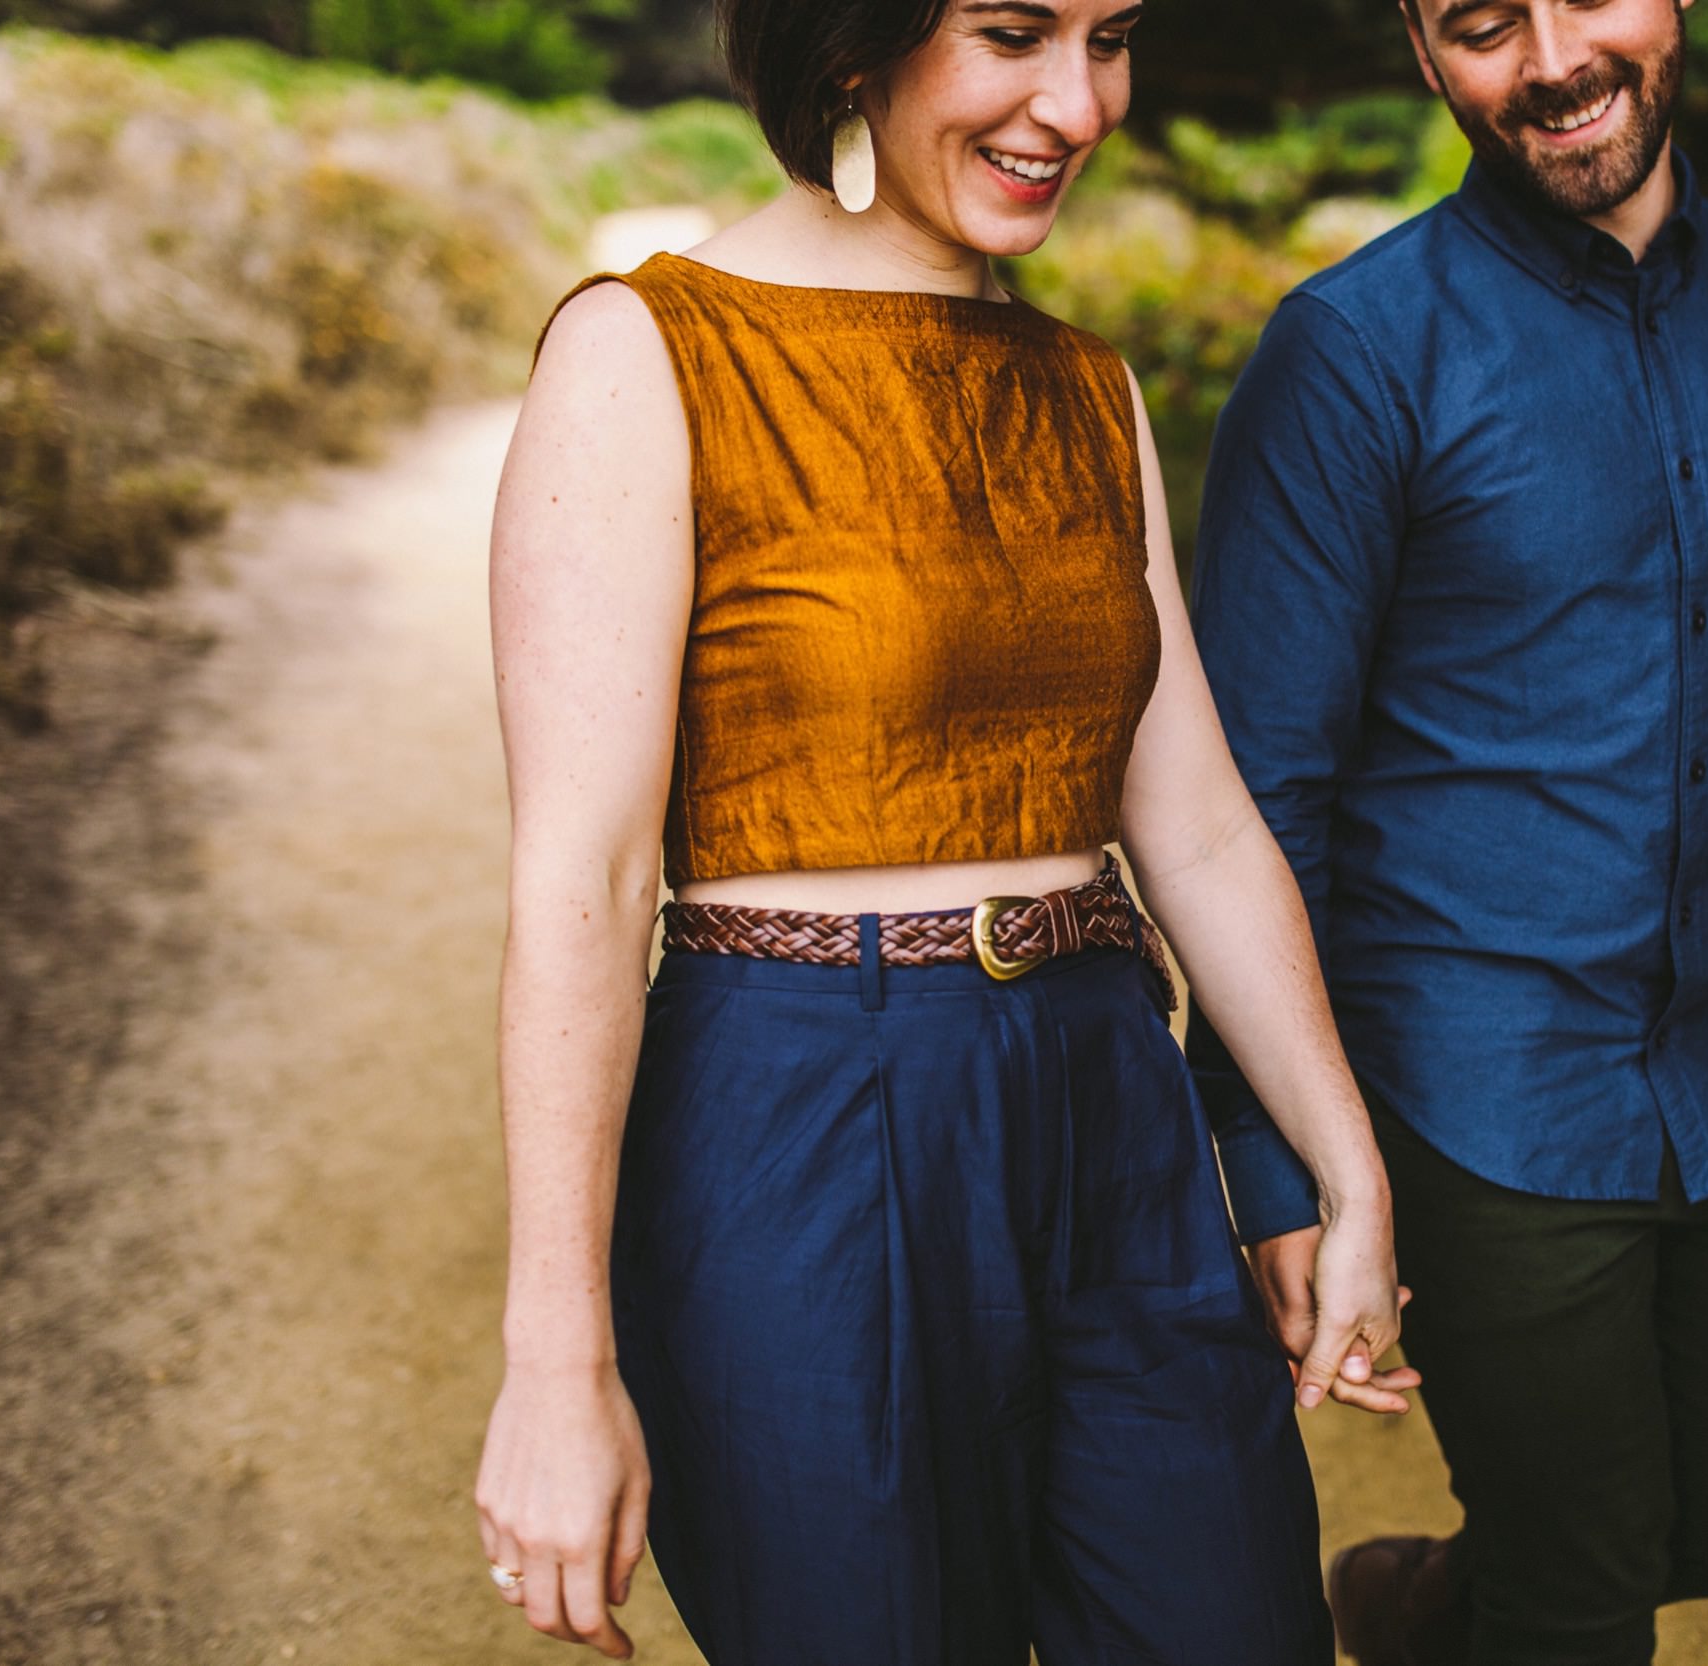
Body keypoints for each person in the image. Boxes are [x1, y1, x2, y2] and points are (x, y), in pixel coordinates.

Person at [470, 1, 1417, 1661]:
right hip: (800, 1114)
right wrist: (557, 1361)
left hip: (1109, 1100)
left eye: (1112, 40)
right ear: (857, 44)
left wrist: (1346, 1168)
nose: (1077, 100)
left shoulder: (1084, 388)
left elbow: (1191, 821)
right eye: (1011, 33)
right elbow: (586, 880)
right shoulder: (649, 351)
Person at [1183, 1, 1708, 1662]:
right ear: (1426, 50)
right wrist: (1270, 1159)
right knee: (1581, 1594)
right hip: (1472, 1088)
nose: (1552, 55)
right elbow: (1254, 796)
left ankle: (1417, 1607)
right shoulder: (1352, 354)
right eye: (1484, 19)